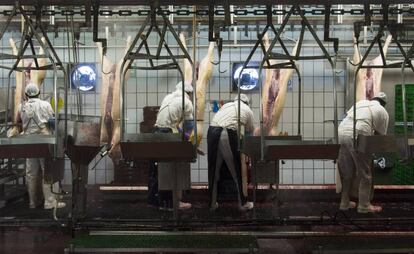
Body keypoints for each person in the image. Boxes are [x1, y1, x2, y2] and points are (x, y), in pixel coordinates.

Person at [337, 92, 389, 213]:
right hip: (359, 134)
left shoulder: (360, 103)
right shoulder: (382, 111)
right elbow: (380, 136)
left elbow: (347, 116)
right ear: (383, 103)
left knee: (347, 173)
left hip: (342, 132)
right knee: (365, 173)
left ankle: (344, 203)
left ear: (373, 99)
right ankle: (364, 205)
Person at [16, 83, 66, 209]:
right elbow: (53, 122)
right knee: (47, 171)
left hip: (28, 142)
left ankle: (33, 201)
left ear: (26, 94)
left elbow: (18, 122)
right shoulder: (45, 104)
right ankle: (49, 202)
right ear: (39, 93)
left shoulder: (21, 106)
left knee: (31, 173)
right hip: (44, 141)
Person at [147, 81, 194, 211]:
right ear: (189, 93)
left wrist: (180, 132)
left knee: (155, 169)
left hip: (155, 132)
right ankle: (170, 204)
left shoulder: (168, 97)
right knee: (169, 169)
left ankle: (153, 201)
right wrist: (188, 141)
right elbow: (189, 126)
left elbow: (169, 121)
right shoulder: (187, 102)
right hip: (167, 134)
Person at [207, 94, 255, 211]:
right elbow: (250, 132)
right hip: (226, 133)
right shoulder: (248, 110)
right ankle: (243, 203)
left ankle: (212, 204)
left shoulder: (226, 105)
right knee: (237, 169)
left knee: (214, 169)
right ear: (247, 103)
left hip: (212, 132)